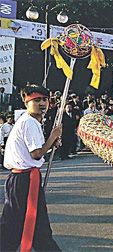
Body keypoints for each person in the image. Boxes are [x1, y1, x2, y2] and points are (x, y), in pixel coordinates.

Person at [0, 84, 62, 251]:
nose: (42, 103)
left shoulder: (30, 121)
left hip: (24, 178)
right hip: (24, 179)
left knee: (32, 228)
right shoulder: (29, 122)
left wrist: (50, 143)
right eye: (36, 100)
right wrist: (52, 137)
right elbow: (36, 154)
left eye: (45, 99)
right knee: (15, 227)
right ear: (26, 102)